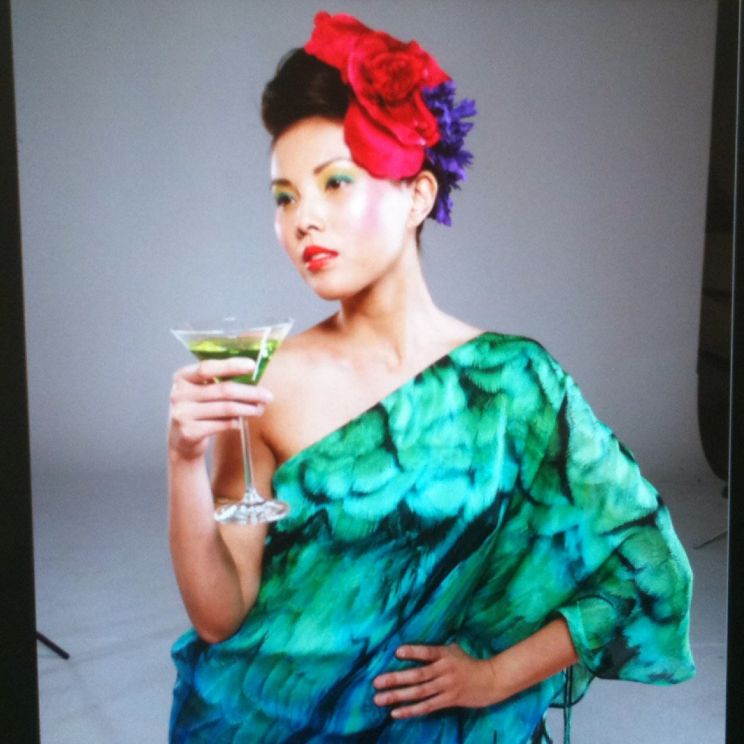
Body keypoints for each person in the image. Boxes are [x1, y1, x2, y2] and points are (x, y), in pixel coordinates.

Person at [167, 11, 695, 743]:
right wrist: (183, 461)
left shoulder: (513, 384)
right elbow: (219, 616)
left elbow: (648, 563)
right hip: (261, 722)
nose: (302, 220)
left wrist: (496, 676)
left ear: (417, 195)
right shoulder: (268, 383)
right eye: (284, 196)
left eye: (335, 183)